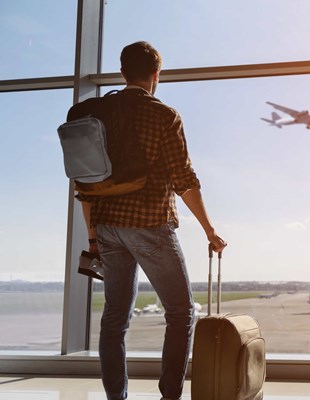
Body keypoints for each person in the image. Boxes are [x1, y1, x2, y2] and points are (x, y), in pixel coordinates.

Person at [76, 41, 226, 400]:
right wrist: (210, 229)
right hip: (149, 223)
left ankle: (117, 397)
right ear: (156, 74)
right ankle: (169, 396)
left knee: (115, 319)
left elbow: (83, 184)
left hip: (108, 225)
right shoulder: (164, 115)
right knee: (181, 311)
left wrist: (94, 237)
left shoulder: (97, 114)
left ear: (123, 72)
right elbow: (184, 180)